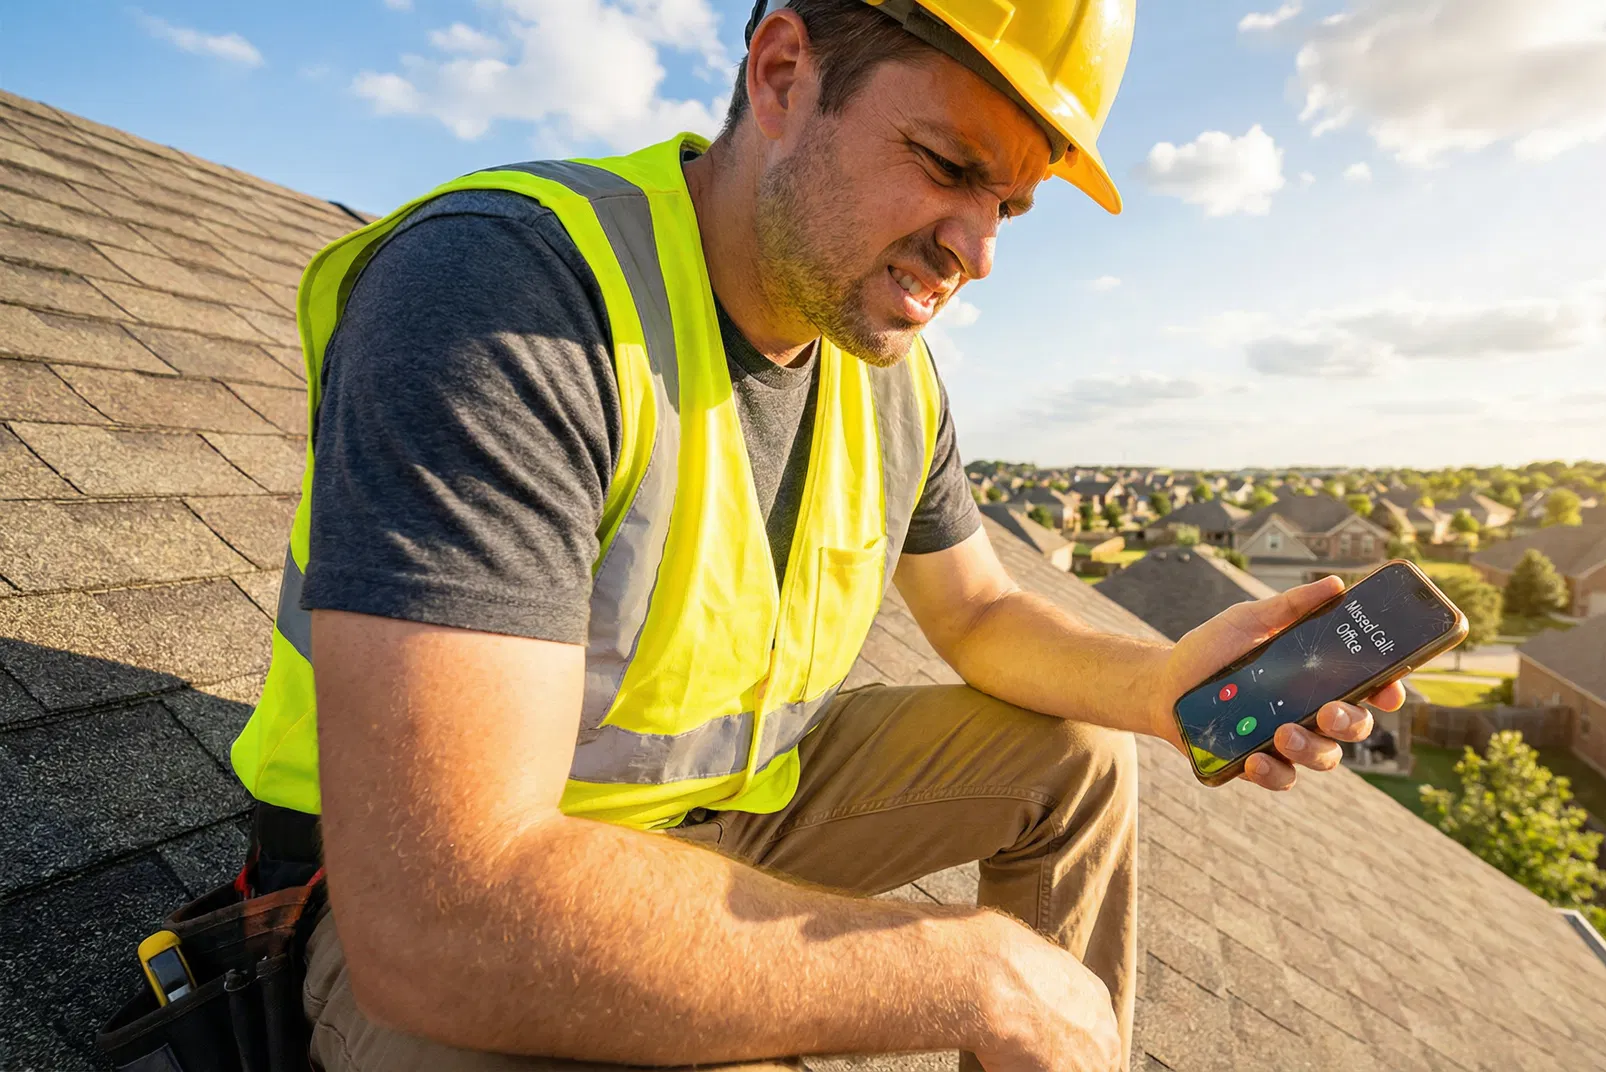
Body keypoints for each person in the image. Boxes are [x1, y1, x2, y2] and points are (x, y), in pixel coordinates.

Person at [226, 1, 1401, 1069]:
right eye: (948, 166)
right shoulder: (506, 295)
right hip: (434, 884)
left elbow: (982, 611)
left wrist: (1165, 682)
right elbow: (443, 913)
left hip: (729, 816)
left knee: (1080, 760)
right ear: (783, 74)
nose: (978, 250)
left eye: (1009, 206)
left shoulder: (889, 377)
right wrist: (972, 972)